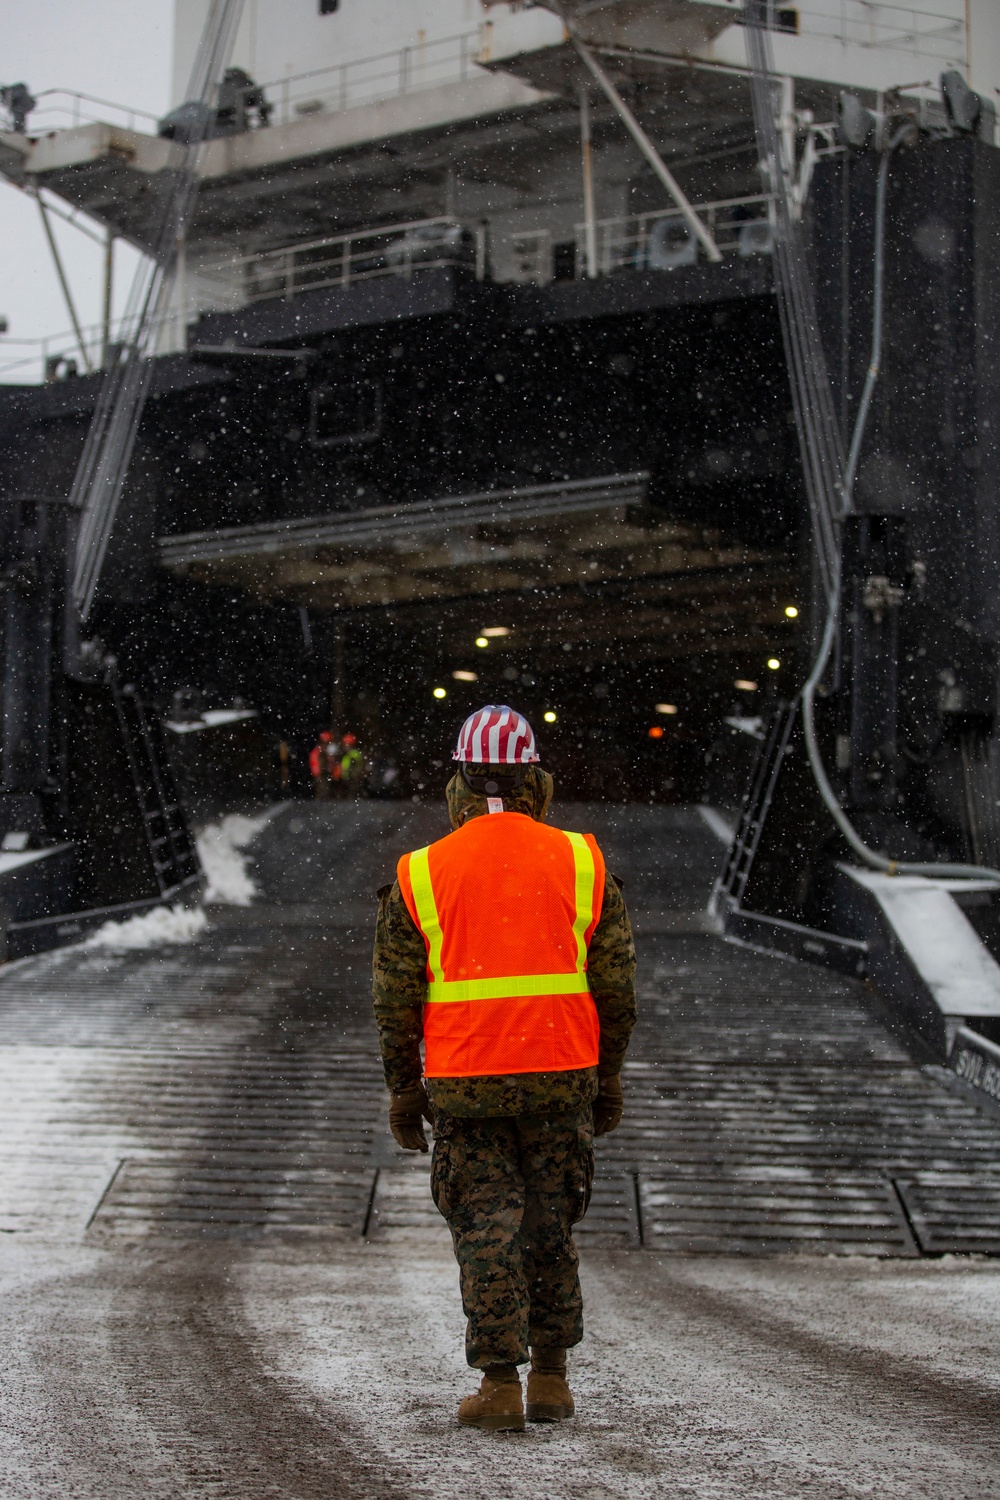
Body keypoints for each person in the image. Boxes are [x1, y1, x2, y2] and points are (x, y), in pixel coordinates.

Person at [372, 704, 636, 1431]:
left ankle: (498, 1385)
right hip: (562, 1075)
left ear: (459, 783)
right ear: (537, 782)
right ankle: (552, 1378)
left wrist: (402, 1089)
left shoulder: (422, 872)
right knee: (551, 1226)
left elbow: (395, 994)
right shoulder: (583, 861)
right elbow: (616, 983)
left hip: (466, 1086)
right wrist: (609, 1074)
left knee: (486, 1229)